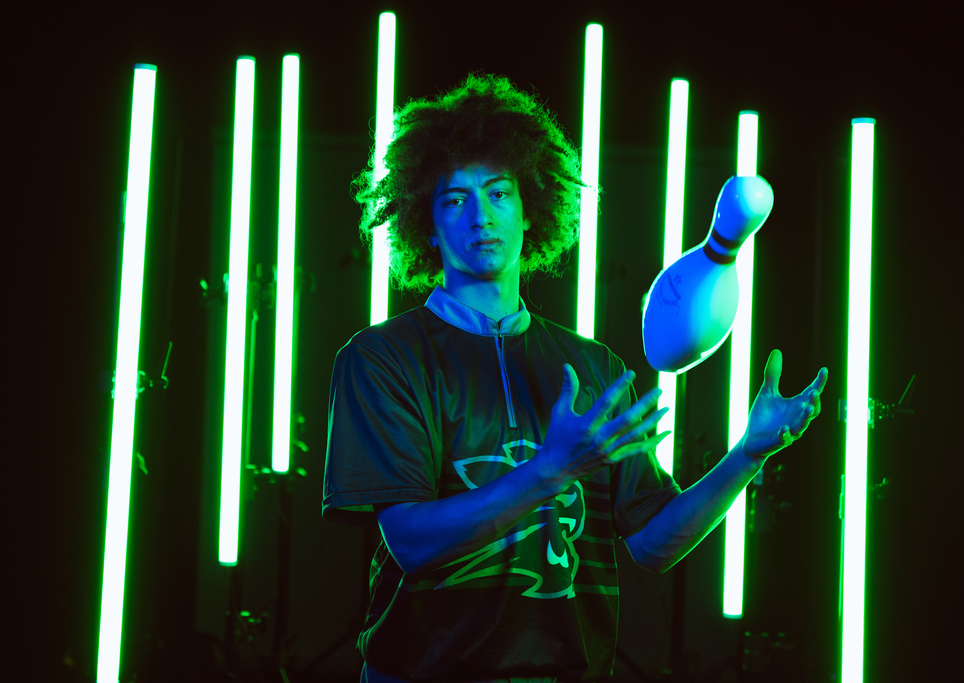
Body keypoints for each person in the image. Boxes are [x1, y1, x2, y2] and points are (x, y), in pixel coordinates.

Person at [322, 73, 827, 683]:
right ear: (426, 224)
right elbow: (410, 543)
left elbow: (652, 545)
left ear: (530, 209)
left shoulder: (593, 366)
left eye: (499, 193)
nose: (481, 216)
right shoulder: (381, 358)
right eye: (455, 200)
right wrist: (551, 471)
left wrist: (747, 456)